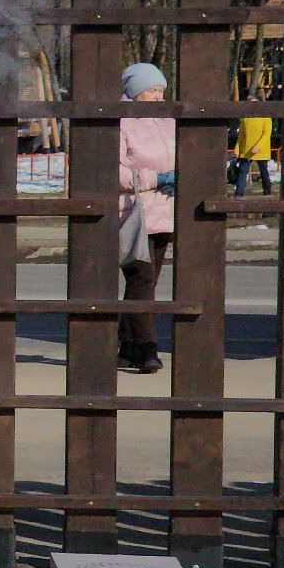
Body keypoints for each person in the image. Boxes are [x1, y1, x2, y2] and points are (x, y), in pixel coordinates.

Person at [118, 62, 176, 374]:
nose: (157, 96)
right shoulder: (122, 121)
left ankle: (127, 349)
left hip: (164, 212)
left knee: (147, 281)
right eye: (152, 90)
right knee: (141, 280)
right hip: (133, 213)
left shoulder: (165, 120)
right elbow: (112, 170)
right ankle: (148, 347)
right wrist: (156, 177)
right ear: (135, 91)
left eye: (161, 90)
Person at [233, 93, 273, 197]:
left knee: (264, 171)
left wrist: (258, 146)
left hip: (261, 150)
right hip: (246, 149)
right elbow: (241, 135)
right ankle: (239, 193)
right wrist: (237, 149)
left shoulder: (265, 117)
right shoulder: (245, 117)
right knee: (242, 171)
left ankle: (267, 190)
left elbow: (266, 134)